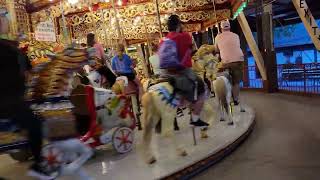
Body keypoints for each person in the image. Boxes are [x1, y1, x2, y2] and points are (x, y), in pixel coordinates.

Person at [0, 11, 57, 179]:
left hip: (13, 96)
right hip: (8, 100)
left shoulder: (8, 45)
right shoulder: (7, 48)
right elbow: (23, 69)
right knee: (36, 124)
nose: (6, 22)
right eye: (3, 19)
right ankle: (39, 164)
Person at [159, 15, 208, 127]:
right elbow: (193, 50)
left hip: (165, 73)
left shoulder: (163, 40)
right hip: (182, 71)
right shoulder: (184, 36)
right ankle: (195, 118)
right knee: (202, 87)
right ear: (178, 25)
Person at [214, 20, 244, 105]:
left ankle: (225, 93)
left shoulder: (217, 37)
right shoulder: (236, 36)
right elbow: (237, 46)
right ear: (229, 27)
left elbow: (216, 50)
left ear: (221, 28)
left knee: (220, 75)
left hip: (226, 62)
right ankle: (236, 99)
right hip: (238, 59)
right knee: (236, 82)